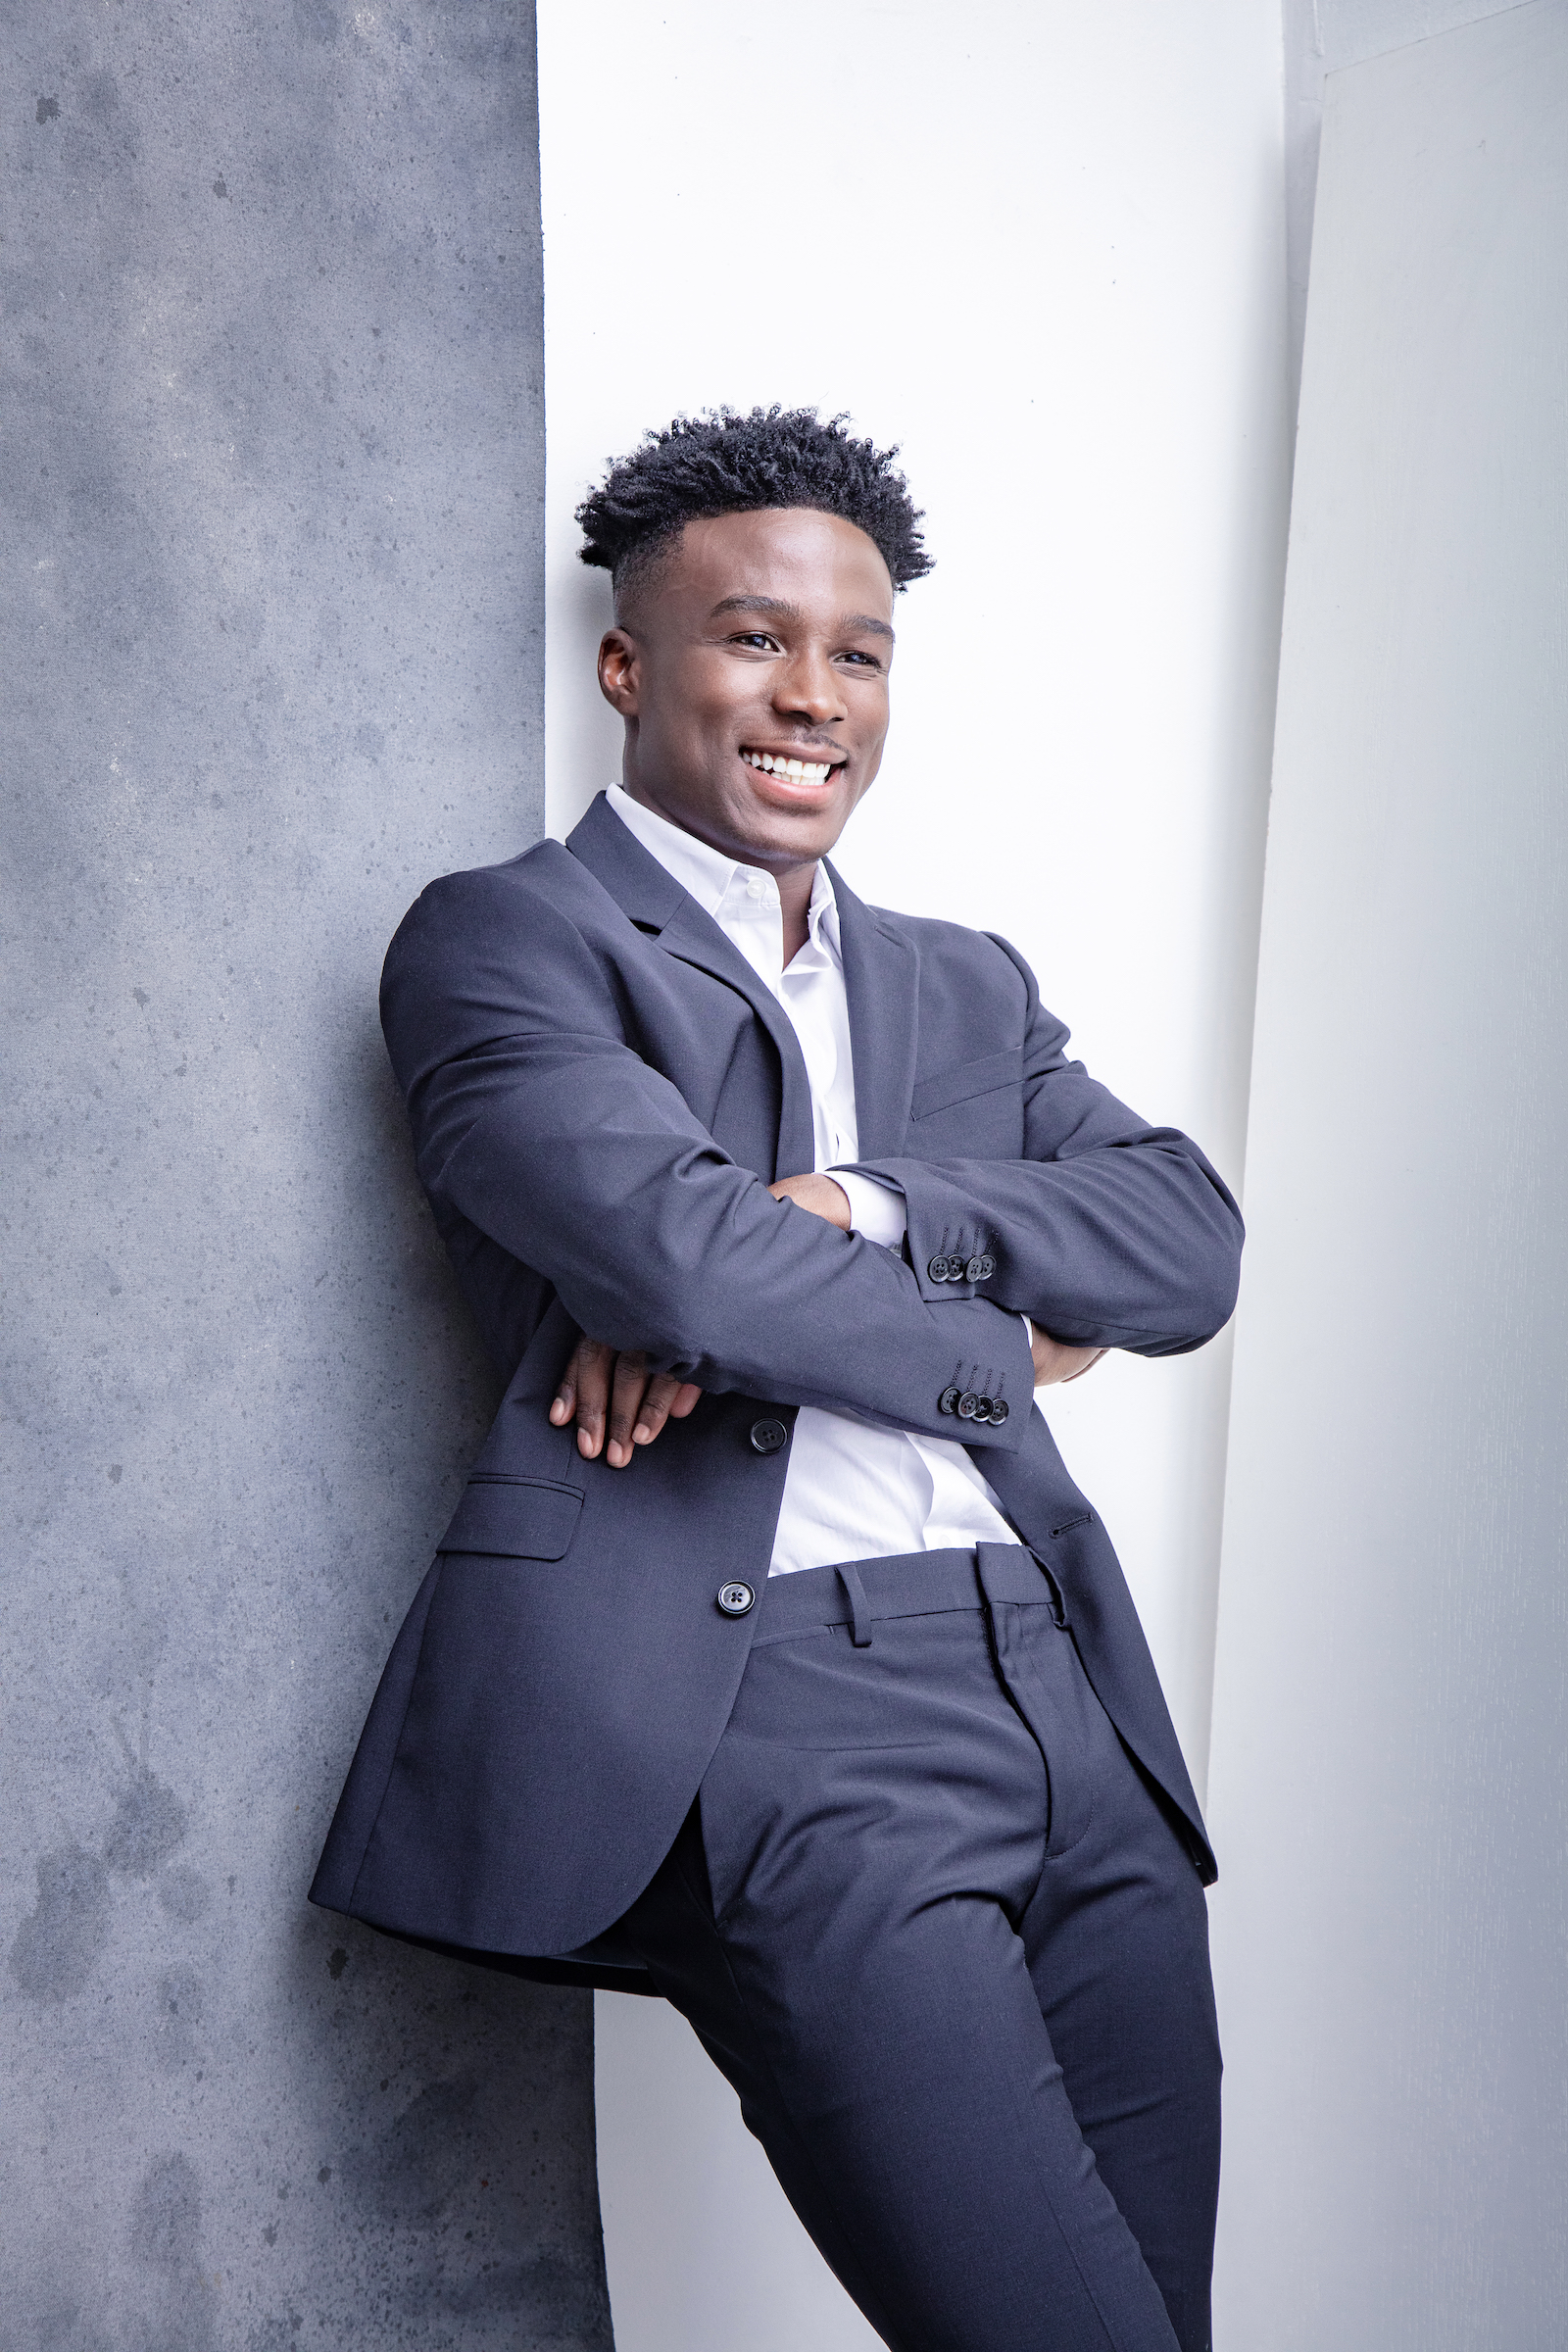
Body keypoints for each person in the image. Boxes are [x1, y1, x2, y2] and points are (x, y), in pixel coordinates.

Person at [312, 408, 1243, 2352]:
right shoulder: (509, 941)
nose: (813, 695)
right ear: (626, 666)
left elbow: (1186, 1243)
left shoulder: (964, 982)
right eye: (753, 638)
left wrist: (874, 1203)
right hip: (788, 1719)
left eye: (857, 652)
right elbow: (678, 1259)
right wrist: (1003, 1339)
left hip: (1066, 1697)